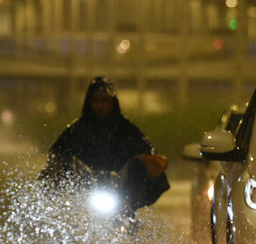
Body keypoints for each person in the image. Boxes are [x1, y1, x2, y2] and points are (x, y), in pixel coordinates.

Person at [41, 76, 170, 211]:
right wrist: (57, 169)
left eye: (104, 101)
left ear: (112, 103)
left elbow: (147, 150)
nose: (100, 106)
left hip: (119, 190)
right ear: (89, 103)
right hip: (87, 189)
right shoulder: (78, 129)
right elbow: (57, 152)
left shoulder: (125, 128)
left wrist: (151, 161)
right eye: (96, 101)